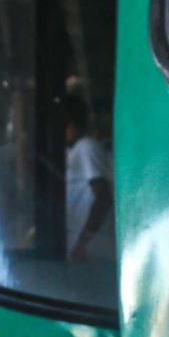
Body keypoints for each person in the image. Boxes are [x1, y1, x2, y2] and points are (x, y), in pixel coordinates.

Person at [64, 91, 115, 263]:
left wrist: (83, 241)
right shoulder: (70, 151)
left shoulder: (86, 147)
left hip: (89, 249)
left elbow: (103, 197)